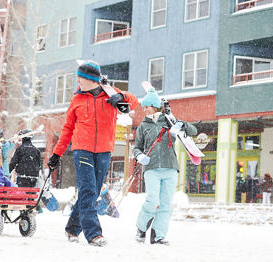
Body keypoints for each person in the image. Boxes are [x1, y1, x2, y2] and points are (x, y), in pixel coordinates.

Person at [48, 60, 139, 246]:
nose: (78, 82)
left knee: (93, 191)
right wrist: (57, 154)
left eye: (80, 78)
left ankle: (72, 228)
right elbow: (67, 129)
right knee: (88, 188)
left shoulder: (110, 93)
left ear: (91, 80)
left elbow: (135, 102)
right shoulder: (77, 99)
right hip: (82, 149)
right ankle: (94, 234)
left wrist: (120, 96)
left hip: (104, 150)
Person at [133, 87, 197, 245]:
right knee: (152, 200)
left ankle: (159, 235)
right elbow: (137, 148)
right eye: (144, 107)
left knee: (165, 204)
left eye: (147, 106)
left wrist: (182, 125)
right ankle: (141, 228)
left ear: (154, 106)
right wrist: (140, 156)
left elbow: (193, 131)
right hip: (151, 168)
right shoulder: (143, 126)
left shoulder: (169, 121)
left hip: (170, 167)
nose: (144, 109)